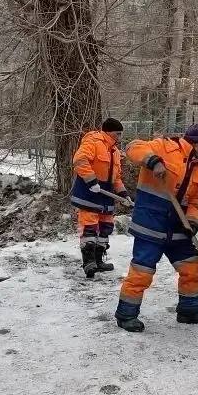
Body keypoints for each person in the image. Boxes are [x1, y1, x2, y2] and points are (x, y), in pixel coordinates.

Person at [115, 123, 198, 332]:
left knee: (192, 266)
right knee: (142, 270)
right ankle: (126, 315)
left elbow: (195, 202)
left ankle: (189, 310)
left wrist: (191, 221)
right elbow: (133, 147)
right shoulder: (164, 147)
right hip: (151, 223)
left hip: (177, 227)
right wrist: (152, 161)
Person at [70, 118, 131, 278]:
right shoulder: (93, 142)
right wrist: (91, 180)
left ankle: (98, 260)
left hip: (106, 195)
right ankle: (89, 263)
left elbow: (116, 178)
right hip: (89, 192)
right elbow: (80, 160)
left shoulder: (115, 152)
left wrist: (123, 194)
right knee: (89, 227)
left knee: (105, 228)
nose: (120, 137)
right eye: (118, 133)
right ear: (109, 132)